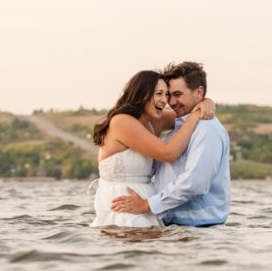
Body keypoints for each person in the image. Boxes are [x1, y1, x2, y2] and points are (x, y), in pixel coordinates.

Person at [111, 61, 231, 227]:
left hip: (199, 228)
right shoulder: (181, 124)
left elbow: (194, 184)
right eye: (168, 95)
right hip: (173, 225)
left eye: (177, 94)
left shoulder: (206, 129)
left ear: (199, 92)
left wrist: (148, 205)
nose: (171, 102)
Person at [89, 70, 215, 228]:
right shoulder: (121, 122)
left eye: (167, 95)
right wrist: (196, 115)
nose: (165, 100)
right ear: (142, 94)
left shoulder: (155, 120)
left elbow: (186, 114)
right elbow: (168, 153)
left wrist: (207, 102)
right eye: (159, 94)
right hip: (121, 201)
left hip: (145, 202)